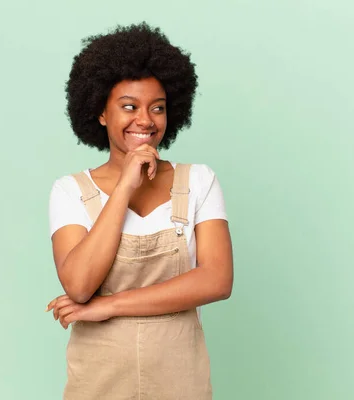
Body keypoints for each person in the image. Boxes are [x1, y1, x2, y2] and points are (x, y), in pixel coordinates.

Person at [45, 22, 233, 400]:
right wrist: (125, 187)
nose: (145, 120)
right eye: (129, 106)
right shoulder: (69, 191)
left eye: (157, 108)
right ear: (100, 113)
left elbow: (216, 280)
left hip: (181, 381)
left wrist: (110, 306)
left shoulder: (198, 181)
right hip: (98, 384)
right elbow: (79, 285)